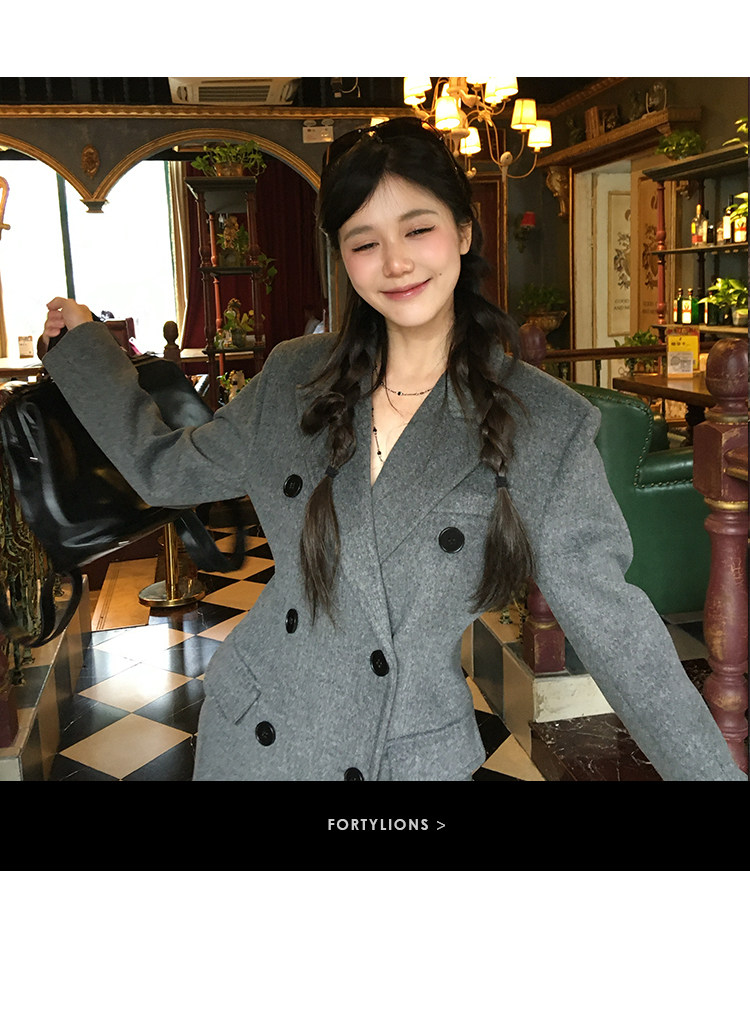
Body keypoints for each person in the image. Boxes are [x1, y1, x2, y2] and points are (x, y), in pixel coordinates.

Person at [41, 118, 745, 781]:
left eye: (418, 228)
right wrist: (85, 352)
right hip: (256, 729)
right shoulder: (295, 378)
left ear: (463, 230)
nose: (396, 262)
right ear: (343, 257)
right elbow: (166, 470)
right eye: (364, 241)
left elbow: (621, 636)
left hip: (405, 754)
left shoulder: (542, 423)